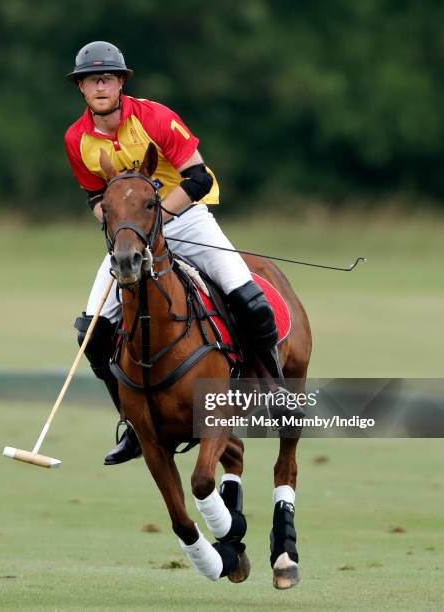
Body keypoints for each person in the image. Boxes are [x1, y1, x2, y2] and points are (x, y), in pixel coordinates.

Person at [64, 41, 280, 465]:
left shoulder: (156, 118)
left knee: (250, 300)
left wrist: (156, 215)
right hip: (131, 236)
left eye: (107, 77)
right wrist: (121, 224)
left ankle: (275, 391)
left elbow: (197, 178)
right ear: (82, 89)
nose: (100, 85)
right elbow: (94, 197)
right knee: (90, 332)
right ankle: (131, 421)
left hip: (185, 221)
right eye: (92, 80)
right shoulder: (77, 139)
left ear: (121, 82)